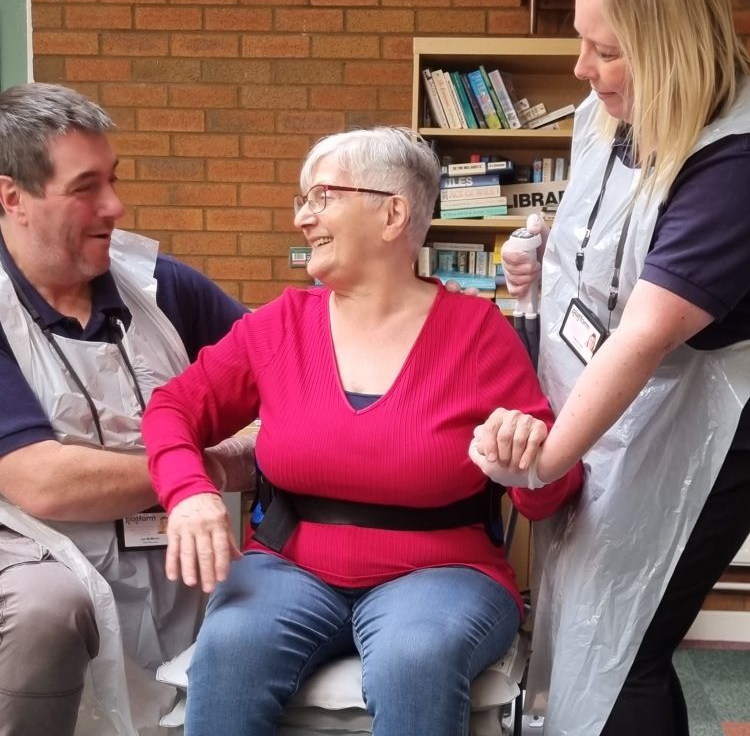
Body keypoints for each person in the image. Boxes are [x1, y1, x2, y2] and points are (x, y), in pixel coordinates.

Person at [141, 126, 584, 736]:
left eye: (322, 197)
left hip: (445, 575)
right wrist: (188, 492)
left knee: (415, 659)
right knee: (231, 650)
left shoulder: (478, 332)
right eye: (302, 201)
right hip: (288, 565)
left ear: (393, 213)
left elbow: (552, 491)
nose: (303, 217)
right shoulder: (277, 327)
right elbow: (172, 409)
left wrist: (525, 464)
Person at [472, 0, 750, 733]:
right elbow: (599, 233)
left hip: (699, 425)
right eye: (582, 42)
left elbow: (647, 331)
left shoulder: (733, 164)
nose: (579, 68)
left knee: (625, 646)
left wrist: (539, 467)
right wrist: (539, 263)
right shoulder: (610, 113)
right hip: (612, 402)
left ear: (671, 50)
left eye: (605, 50)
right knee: (588, 627)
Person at [0, 83, 253, 736]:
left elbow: (291, 382)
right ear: (11, 198)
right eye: (86, 187)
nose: (115, 205)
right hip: (43, 566)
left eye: (112, 180)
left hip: (180, 566)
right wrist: (205, 473)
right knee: (48, 614)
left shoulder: (164, 288)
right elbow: (41, 480)